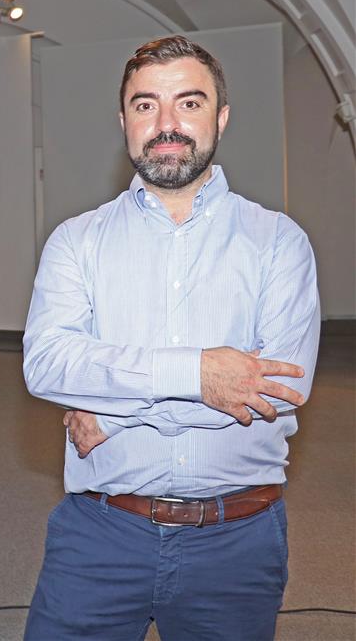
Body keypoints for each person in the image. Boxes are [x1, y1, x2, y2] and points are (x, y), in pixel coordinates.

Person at [22, 36, 320, 640]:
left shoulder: (278, 242)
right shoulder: (76, 241)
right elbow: (48, 365)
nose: (166, 124)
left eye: (188, 103)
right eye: (145, 105)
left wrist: (113, 413)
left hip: (237, 539)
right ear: (124, 121)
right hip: (100, 533)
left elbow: (275, 391)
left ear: (221, 117)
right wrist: (199, 375)